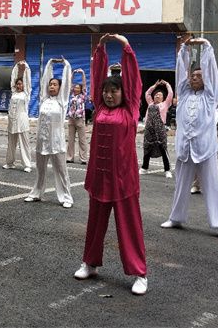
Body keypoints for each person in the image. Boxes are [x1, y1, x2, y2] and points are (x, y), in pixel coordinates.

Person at [73, 34, 148, 295]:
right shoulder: (100, 108)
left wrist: (126, 47)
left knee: (129, 226)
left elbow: (133, 81)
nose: (108, 94)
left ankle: (139, 273)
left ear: (123, 93)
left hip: (123, 178)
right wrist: (100, 50)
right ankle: (90, 262)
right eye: (106, 91)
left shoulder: (131, 110)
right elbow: (96, 80)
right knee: (95, 223)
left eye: (114, 91)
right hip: (99, 176)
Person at [161, 37, 218, 241]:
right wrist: (184, 50)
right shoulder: (183, 94)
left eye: (199, 75)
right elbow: (180, 73)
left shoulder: (210, 97)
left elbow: (212, 73)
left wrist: (206, 47)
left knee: (213, 188)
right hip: (185, 148)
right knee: (181, 185)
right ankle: (176, 218)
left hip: (205, 148)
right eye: (192, 75)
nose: (194, 78)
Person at [24, 57, 74, 208]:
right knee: (40, 170)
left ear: (60, 88)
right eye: (50, 84)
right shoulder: (43, 99)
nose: (51, 86)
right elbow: (45, 79)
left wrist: (65, 65)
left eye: (55, 84)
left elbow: (67, 82)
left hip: (56, 142)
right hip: (42, 141)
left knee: (61, 170)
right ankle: (36, 193)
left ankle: (66, 198)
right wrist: (50, 63)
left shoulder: (62, 101)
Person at [191, 80, 218, 196]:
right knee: (196, 166)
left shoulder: (215, 113)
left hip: (210, 147)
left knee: (214, 168)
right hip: (196, 143)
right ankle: (196, 185)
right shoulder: (196, 112)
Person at [140, 79, 173, 177]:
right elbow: (147, 93)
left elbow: (170, 93)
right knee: (147, 148)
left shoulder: (165, 104)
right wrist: (155, 85)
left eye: (159, 95)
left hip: (160, 130)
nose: (157, 96)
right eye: (156, 95)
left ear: (163, 98)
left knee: (163, 148)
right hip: (149, 130)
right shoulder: (150, 103)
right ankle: (144, 168)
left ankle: (167, 170)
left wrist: (166, 84)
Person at [4, 60, 33, 172]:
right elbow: (13, 77)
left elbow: (28, 80)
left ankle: (27, 165)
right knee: (11, 143)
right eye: (17, 84)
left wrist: (26, 67)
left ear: (24, 85)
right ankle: (10, 163)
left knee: (24, 143)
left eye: (21, 84)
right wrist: (16, 66)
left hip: (22, 121)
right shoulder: (14, 93)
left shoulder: (26, 94)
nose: (19, 85)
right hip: (12, 121)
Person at [66, 68, 89, 165]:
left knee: (82, 140)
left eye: (78, 88)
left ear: (80, 90)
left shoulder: (83, 96)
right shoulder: (71, 95)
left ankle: (83, 159)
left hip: (80, 119)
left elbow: (84, 84)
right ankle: (69, 157)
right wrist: (73, 74)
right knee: (70, 139)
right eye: (75, 88)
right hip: (71, 119)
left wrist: (82, 73)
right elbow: (69, 84)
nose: (76, 89)